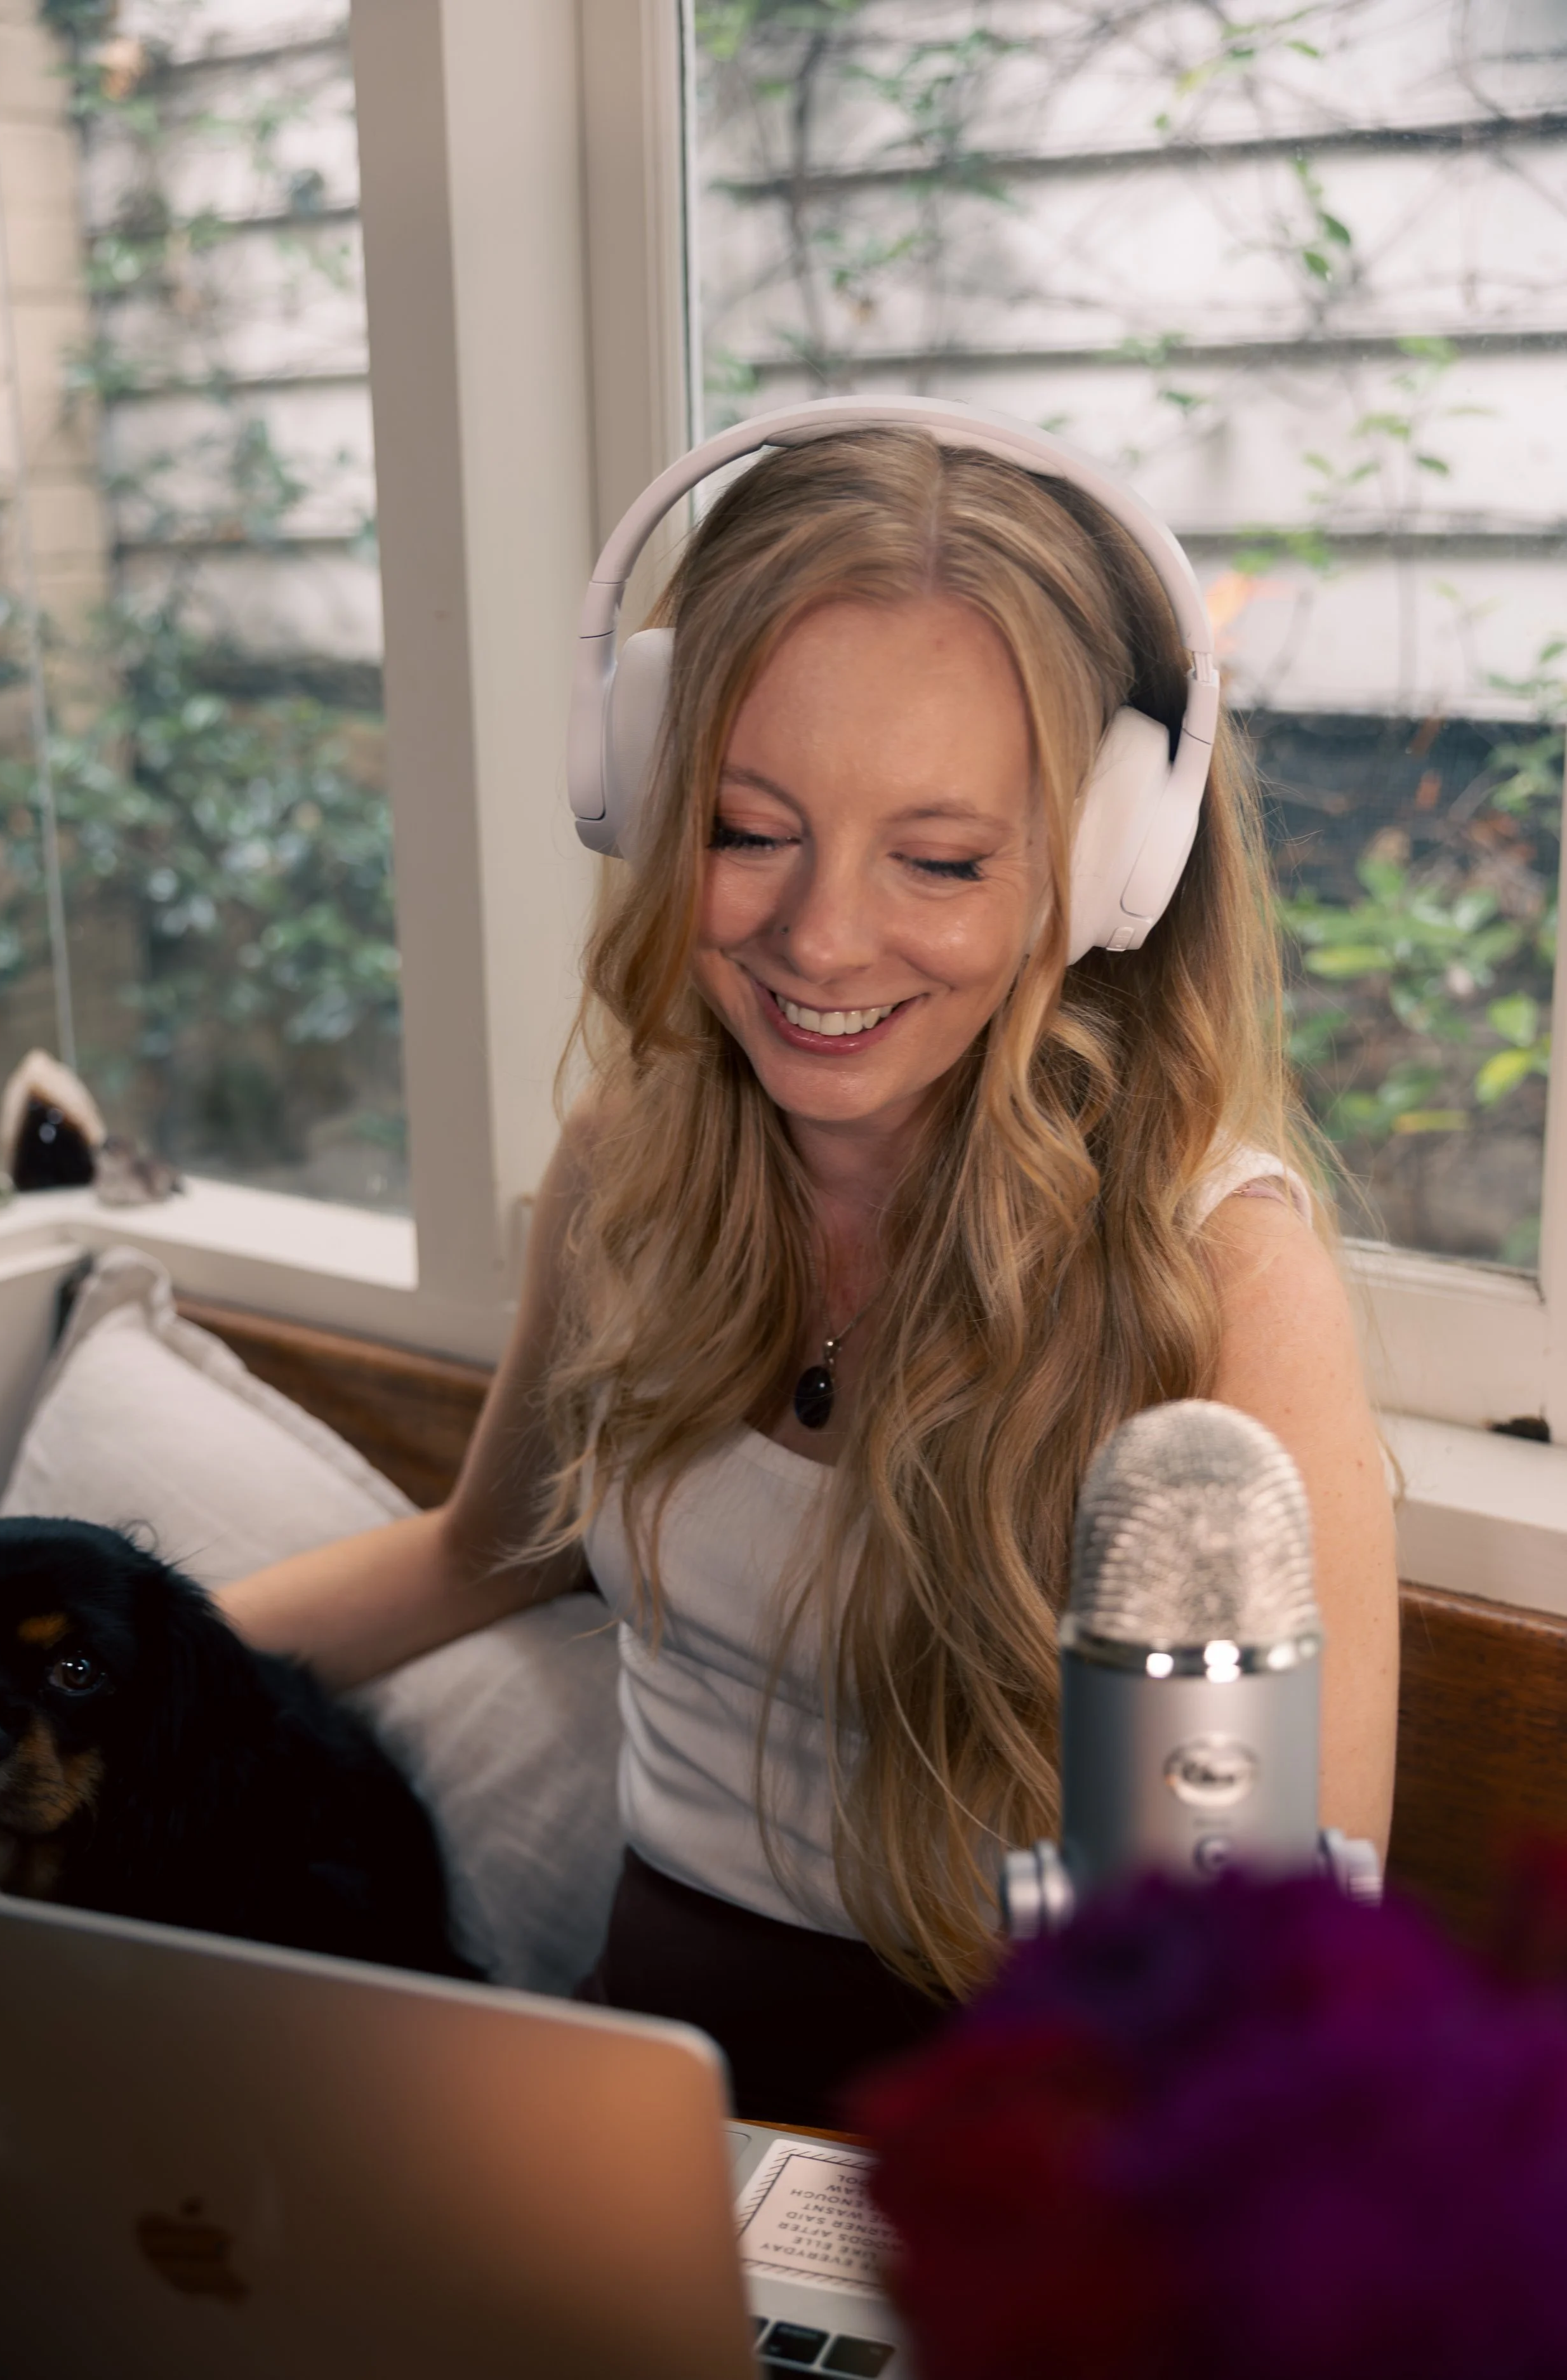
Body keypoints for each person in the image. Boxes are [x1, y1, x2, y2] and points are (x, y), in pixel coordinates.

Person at [223, 425, 1399, 2121]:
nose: (823, 937)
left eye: (942, 858)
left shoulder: (1222, 1282)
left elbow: (1294, 1978)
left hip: (1007, 2172)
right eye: (744, 827)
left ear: (1107, 868)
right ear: (643, 792)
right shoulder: (632, 1169)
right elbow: (482, 1553)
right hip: (646, 2115)